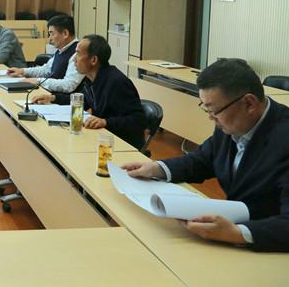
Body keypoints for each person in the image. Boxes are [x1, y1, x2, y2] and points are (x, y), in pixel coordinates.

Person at [122, 59, 289, 252]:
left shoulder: (283, 137)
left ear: (249, 103)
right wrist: (157, 168)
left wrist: (238, 233)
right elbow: (203, 159)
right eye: (206, 109)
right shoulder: (231, 121)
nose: (210, 117)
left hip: (269, 248)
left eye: (214, 110)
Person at [32, 34, 146, 150]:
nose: (74, 59)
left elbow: (138, 119)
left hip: (121, 145)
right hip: (102, 137)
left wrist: (105, 122)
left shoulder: (116, 82)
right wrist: (53, 98)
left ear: (93, 60)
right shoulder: (91, 79)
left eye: (78, 54)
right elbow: (82, 100)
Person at [6, 14, 84, 93]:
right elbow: (46, 69)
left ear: (65, 33)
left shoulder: (77, 53)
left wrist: (38, 81)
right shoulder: (61, 50)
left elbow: (68, 85)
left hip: (61, 99)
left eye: (52, 34)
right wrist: (22, 71)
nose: (50, 38)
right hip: (49, 95)